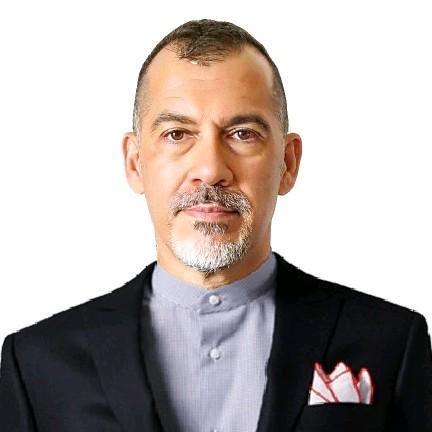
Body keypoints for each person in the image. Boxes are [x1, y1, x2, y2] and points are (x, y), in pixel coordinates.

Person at [0, 18, 431, 432]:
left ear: (287, 163)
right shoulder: (36, 362)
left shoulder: (391, 341)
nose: (209, 169)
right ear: (134, 163)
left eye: (242, 133)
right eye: (177, 134)